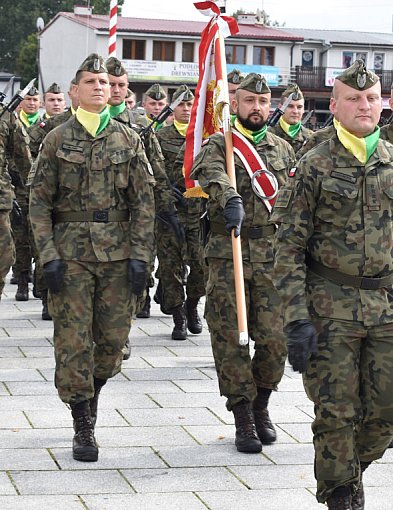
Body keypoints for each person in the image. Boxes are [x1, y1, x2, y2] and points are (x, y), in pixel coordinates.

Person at [271, 60, 393, 509]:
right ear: (335, 107)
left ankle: (346, 472)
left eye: (372, 98)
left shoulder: (392, 162)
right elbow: (286, 248)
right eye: (354, 99)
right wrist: (295, 318)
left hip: (386, 306)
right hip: (330, 309)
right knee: (336, 413)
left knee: (385, 411)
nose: (365, 105)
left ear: (382, 104)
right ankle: (342, 496)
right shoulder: (313, 166)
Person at [29, 53, 155, 462]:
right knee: (72, 342)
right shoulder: (56, 139)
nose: (100, 86)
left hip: (118, 255)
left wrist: (141, 257)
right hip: (71, 256)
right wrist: (47, 257)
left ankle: (94, 390)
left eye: (104, 81)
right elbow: (39, 204)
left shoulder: (128, 138)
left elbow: (144, 203)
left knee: (113, 342)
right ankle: (83, 423)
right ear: (74, 92)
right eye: (91, 81)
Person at [191, 73, 295, 453]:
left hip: (272, 257)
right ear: (235, 104)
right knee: (231, 338)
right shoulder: (219, 144)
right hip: (227, 253)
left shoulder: (283, 150)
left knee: (274, 339)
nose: (256, 108)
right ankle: (242, 416)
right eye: (249, 101)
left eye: (263, 102)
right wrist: (230, 197)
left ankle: (262, 404)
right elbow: (210, 173)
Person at [105, 56, 183, 336]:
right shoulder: (78, 128)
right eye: (109, 84)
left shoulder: (139, 129)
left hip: (133, 218)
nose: (115, 90)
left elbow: (157, 172)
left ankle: (122, 332)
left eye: (120, 85)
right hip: (93, 224)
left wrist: (169, 211)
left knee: (132, 277)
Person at [28, 78, 79, 320]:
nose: (57, 103)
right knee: (47, 252)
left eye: (60, 100)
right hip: (54, 196)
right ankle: (46, 295)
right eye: (53, 99)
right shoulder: (55, 126)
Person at [156, 85, 205, 340]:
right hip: (169, 213)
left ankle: (192, 304)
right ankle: (178, 316)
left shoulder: (202, 136)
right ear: (172, 108)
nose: (186, 109)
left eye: (190, 104)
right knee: (170, 267)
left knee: (200, 265)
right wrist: (166, 201)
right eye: (182, 105)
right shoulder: (159, 137)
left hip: (198, 213)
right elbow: (154, 174)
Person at [0, 108, 29, 299]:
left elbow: (23, 156)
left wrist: (34, 190)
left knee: (4, 254)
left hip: (0, 198)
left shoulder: (6, 115)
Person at [268, 83, 313, 153]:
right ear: (280, 107)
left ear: (303, 109)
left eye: (299, 107)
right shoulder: (268, 135)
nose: (295, 111)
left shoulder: (312, 137)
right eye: (290, 106)